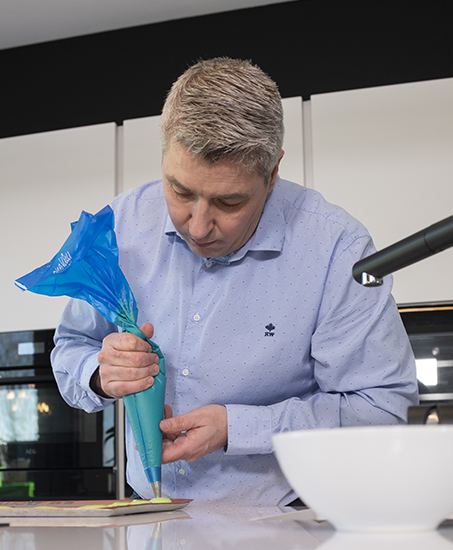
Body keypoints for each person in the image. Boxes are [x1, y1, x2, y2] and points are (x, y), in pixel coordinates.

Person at [51, 57, 419, 505]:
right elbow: (71, 349)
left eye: (229, 201)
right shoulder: (122, 225)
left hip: (287, 520)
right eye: (180, 191)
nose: (199, 226)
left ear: (273, 172)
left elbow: (380, 410)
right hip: (147, 515)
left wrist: (239, 428)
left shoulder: (338, 250)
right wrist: (99, 374)